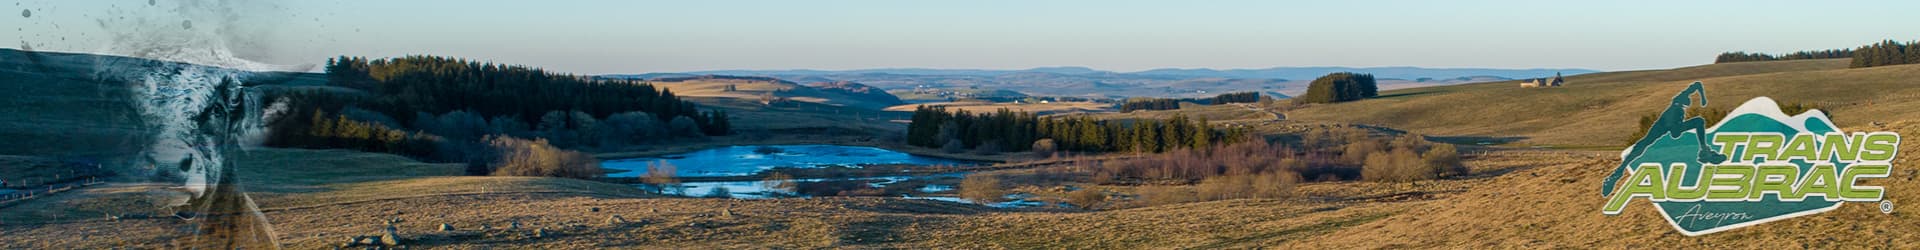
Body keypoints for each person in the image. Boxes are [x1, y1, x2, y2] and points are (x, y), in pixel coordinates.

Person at [1602, 81, 1728, 197]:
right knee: (1698, 122)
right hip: (1671, 118)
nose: (1688, 104)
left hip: (1666, 118)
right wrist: (1702, 101)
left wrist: (1702, 97)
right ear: (1683, 102)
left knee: (1646, 142)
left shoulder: (1679, 100)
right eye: (1687, 103)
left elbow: (1697, 85)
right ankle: (1704, 151)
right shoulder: (1679, 105)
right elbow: (1675, 133)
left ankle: (1617, 173)